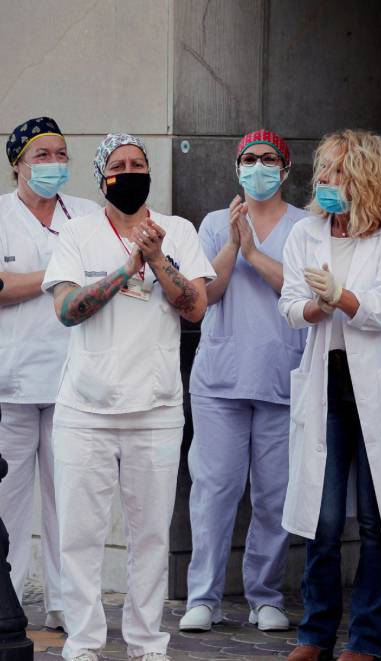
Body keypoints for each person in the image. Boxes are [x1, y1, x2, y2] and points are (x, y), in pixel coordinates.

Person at [42, 133, 215, 661]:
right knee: (79, 535)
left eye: (138, 163)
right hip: (85, 409)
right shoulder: (76, 232)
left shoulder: (178, 230)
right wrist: (123, 271)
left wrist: (158, 257)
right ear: (102, 178)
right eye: (118, 165)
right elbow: (67, 309)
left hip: (156, 409)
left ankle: (146, 642)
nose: (129, 171)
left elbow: (196, 308)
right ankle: (84, 640)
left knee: (150, 537)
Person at [279, 129, 381, 661]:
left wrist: (338, 295)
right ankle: (315, 634)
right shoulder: (306, 232)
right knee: (321, 519)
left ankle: (366, 640)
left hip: (376, 389)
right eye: (323, 170)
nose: (325, 181)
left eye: (338, 172)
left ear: (366, 179)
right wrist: (318, 307)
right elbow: (289, 305)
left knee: (376, 518)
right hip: (327, 380)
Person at [179, 130, 307, 633]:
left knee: (275, 495)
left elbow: (298, 289)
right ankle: (203, 597)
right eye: (249, 159)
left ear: (285, 167)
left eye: (268, 159)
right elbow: (205, 295)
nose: (258, 167)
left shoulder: (305, 227)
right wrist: (234, 245)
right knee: (213, 492)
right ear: (237, 168)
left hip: (282, 378)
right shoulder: (214, 224)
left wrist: (255, 252)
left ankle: (265, 595)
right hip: (220, 381)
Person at [0, 116, 100, 627]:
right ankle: (8, 605)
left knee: (71, 503)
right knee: (9, 507)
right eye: (42, 156)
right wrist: (59, 274)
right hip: (11, 385)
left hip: (72, 383)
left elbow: (102, 278)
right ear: (17, 163)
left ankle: (68, 606)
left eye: (60, 154)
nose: (53, 164)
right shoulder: (0, 215)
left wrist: (34, 279)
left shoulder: (84, 216)